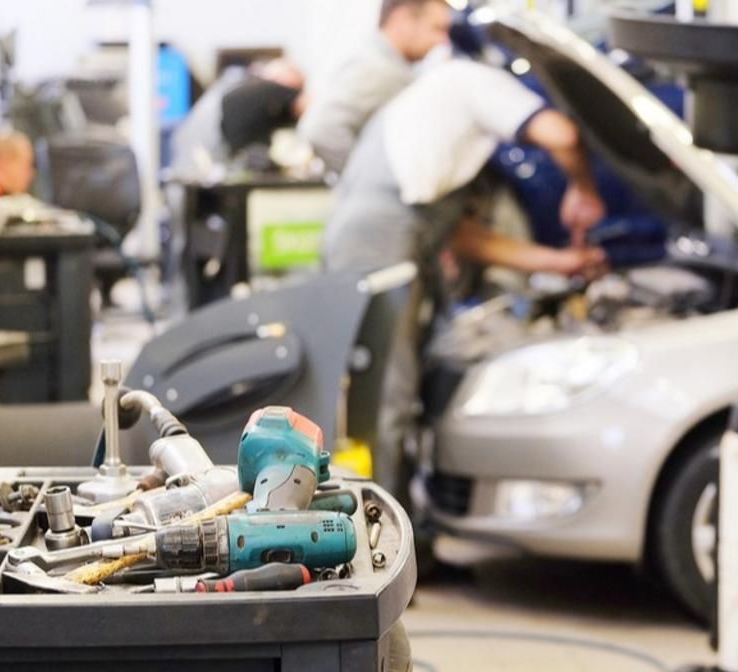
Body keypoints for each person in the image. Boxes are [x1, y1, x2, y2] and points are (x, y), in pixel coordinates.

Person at [324, 58, 607, 502]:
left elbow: (464, 237)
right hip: (380, 241)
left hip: (377, 235)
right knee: (389, 390)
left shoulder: (434, 114)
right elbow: (563, 136)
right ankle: (382, 522)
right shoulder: (474, 82)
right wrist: (583, 190)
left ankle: (401, 507)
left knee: (400, 382)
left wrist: (560, 263)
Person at [298, 0, 453, 175]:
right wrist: (370, 181)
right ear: (401, 18)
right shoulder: (377, 70)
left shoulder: (381, 63)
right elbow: (321, 129)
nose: (443, 40)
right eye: (437, 28)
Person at [169, 58, 307, 179]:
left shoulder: (233, 88)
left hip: (191, 165)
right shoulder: (263, 89)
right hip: (195, 170)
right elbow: (304, 103)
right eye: (297, 86)